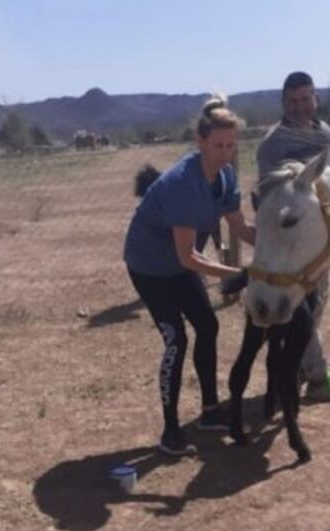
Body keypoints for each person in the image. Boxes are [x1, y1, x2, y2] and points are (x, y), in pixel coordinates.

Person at [124, 95, 256, 455]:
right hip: (150, 267)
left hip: (180, 266)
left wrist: (281, 239)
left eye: (230, 145)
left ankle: (210, 412)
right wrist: (239, 273)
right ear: (200, 142)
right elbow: (189, 256)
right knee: (176, 339)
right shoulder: (183, 182)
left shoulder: (225, 176)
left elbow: (242, 227)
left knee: (208, 327)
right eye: (217, 145)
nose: (225, 153)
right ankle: (170, 432)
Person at [255, 71, 330, 403]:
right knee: (303, 305)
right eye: (293, 101)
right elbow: (274, 200)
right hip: (292, 244)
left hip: (320, 237)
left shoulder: (325, 134)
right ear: (284, 103)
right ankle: (317, 375)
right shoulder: (273, 145)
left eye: (306, 99)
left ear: (315, 98)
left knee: (317, 303)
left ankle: (300, 367)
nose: (301, 106)